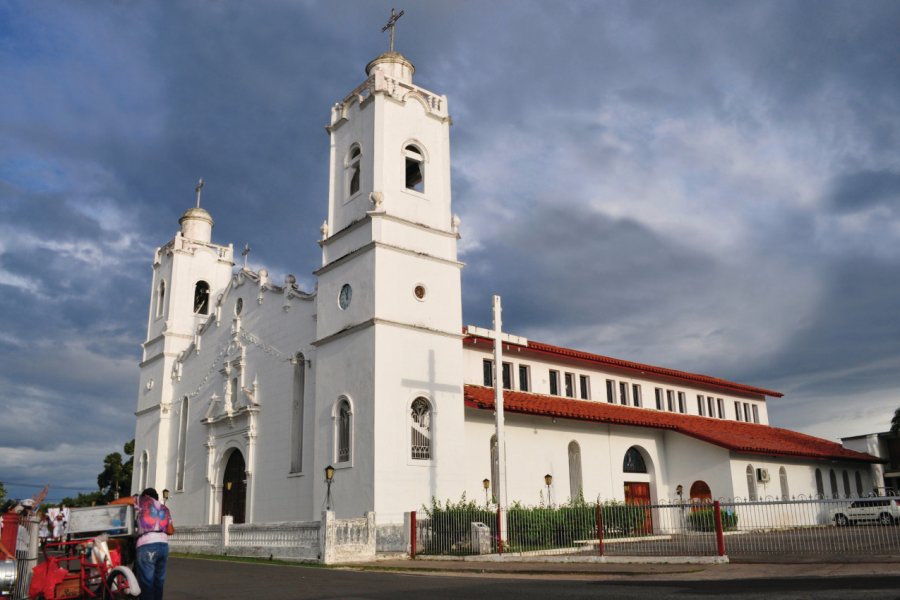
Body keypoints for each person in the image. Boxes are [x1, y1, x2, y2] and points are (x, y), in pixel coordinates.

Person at [134, 488, 174, 600]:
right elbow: (170, 530)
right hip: (163, 546)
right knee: (158, 582)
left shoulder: (143, 500)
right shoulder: (165, 508)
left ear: (146, 495)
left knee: (147, 584)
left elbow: (123, 501)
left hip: (147, 544)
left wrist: (109, 505)